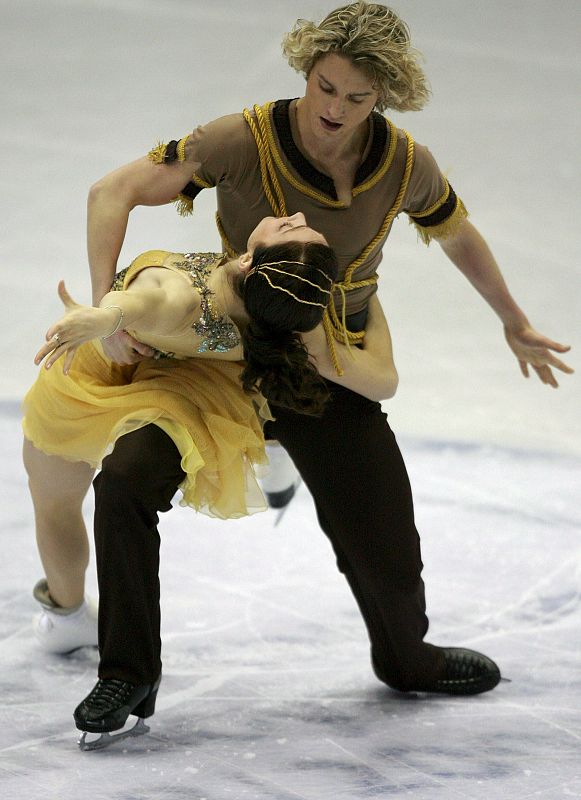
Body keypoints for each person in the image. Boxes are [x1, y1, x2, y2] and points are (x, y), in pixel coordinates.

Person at [29, 1, 573, 739]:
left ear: (383, 95)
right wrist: (109, 310)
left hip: (332, 364)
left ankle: (406, 658)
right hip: (218, 359)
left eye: (356, 98)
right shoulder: (241, 138)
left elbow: (457, 234)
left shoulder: (405, 163)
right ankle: (127, 672)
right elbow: (112, 191)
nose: (335, 110)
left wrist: (511, 318)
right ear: (306, 70)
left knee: (379, 520)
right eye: (325, 87)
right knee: (127, 477)